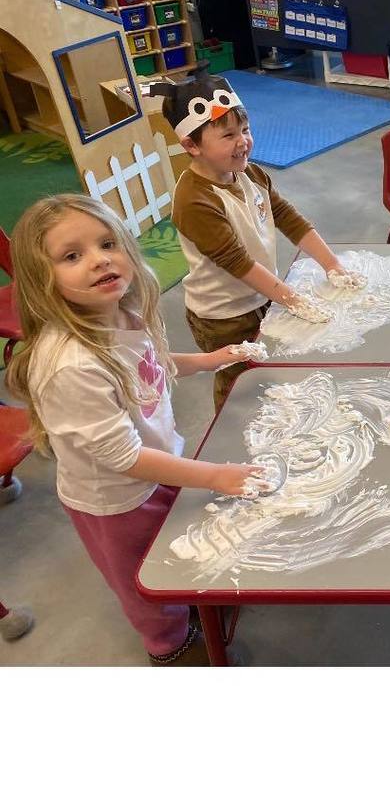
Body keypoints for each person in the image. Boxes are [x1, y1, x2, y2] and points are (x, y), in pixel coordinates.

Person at [6, 194, 265, 665]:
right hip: (116, 500)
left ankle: (193, 599)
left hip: (157, 464)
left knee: (177, 545)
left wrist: (210, 360)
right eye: (72, 255)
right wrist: (213, 476)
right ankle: (169, 645)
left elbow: (152, 366)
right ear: (42, 280)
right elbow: (123, 457)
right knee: (145, 579)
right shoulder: (70, 365)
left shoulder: (123, 313)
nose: (99, 259)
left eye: (108, 243)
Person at [152, 68, 365, 411]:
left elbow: (287, 217)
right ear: (191, 145)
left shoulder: (248, 172)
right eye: (228, 135)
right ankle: (232, 426)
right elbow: (237, 263)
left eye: (245, 130)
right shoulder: (194, 200)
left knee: (269, 370)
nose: (243, 142)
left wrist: (332, 265)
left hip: (262, 294)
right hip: (224, 316)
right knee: (239, 383)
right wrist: (294, 300)